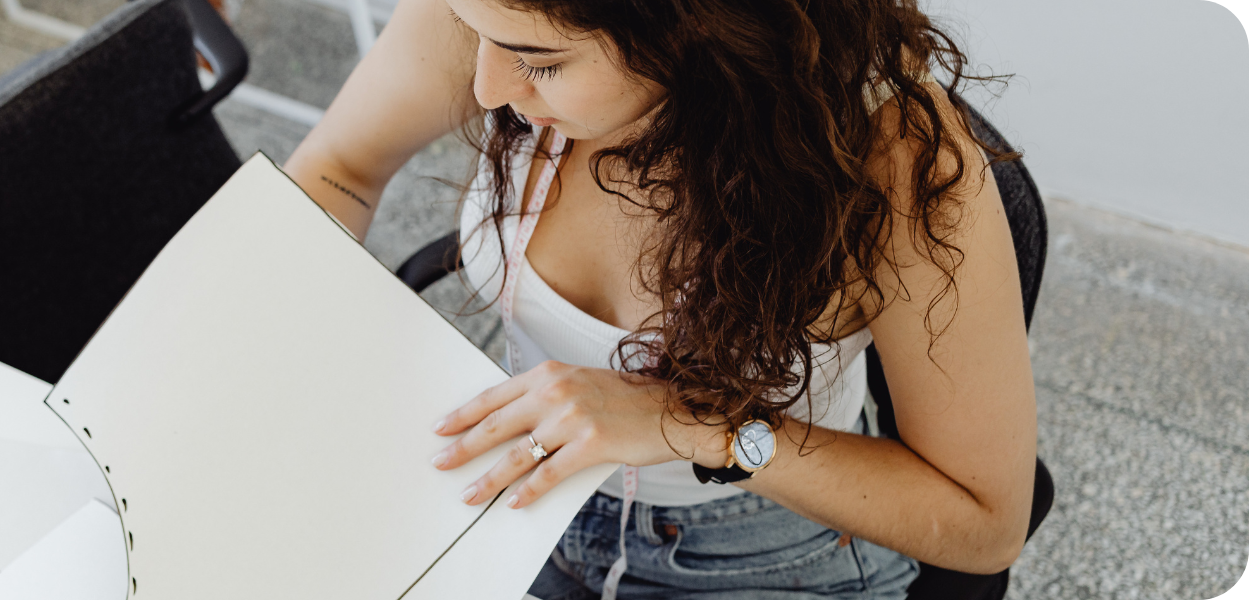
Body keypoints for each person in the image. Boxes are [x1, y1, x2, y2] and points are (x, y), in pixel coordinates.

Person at [283, 0, 1037, 597]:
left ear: (695, 23)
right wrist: (279, 331)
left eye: (541, 62)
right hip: (513, 493)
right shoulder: (493, 11)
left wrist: (696, 426)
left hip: (761, 542)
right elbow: (341, 165)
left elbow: (985, 523)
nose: (486, 90)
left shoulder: (897, 158)